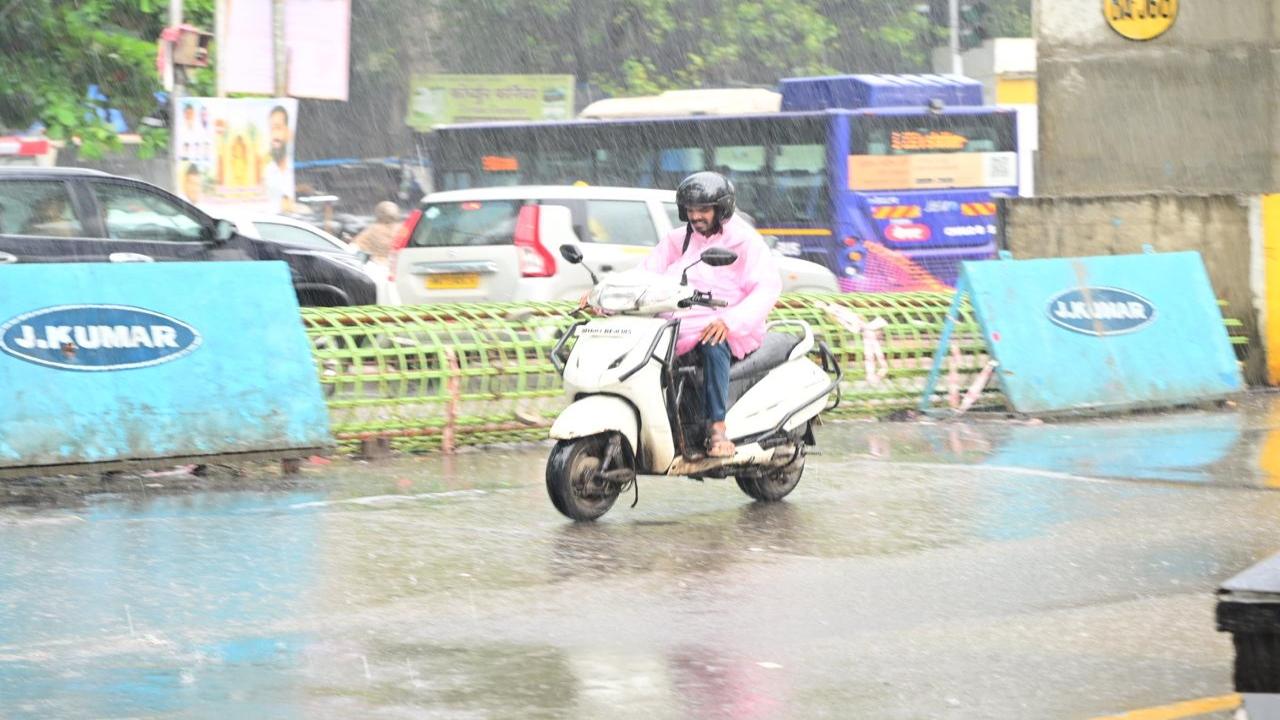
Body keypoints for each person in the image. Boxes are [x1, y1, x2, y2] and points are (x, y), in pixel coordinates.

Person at [641, 171, 781, 458]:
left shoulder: (744, 241)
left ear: (721, 208)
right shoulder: (678, 240)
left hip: (728, 326)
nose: (696, 216)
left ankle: (717, 427)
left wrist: (729, 322)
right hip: (677, 323)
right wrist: (602, 296)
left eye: (703, 209)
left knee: (713, 341)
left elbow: (767, 288)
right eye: (690, 210)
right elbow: (643, 273)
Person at [263, 105, 294, 213]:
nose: (274, 136)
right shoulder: (266, 170)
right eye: (271, 129)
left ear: (288, 132)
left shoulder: (292, 167)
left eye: (278, 128)